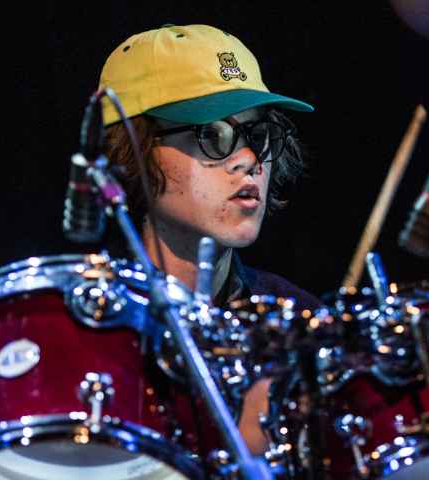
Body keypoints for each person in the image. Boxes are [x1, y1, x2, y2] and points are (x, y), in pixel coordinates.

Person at [93, 23, 322, 450]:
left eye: (259, 135)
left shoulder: (298, 322)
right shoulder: (83, 328)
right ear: (131, 151)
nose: (250, 160)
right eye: (212, 134)